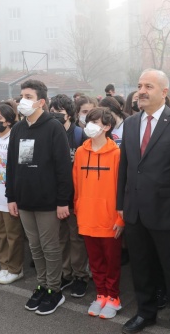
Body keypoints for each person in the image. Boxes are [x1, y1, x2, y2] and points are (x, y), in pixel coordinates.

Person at [117, 69, 170, 334]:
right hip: (135, 212)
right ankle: (145, 313)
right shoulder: (130, 124)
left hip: (168, 213)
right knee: (141, 269)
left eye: (148, 86)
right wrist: (121, 205)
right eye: (140, 85)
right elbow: (126, 169)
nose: (141, 90)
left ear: (164, 92)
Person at [6, 79, 73, 315]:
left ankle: (55, 289)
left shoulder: (53, 127)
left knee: (50, 247)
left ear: (41, 102)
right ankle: (42, 285)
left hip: (48, 201)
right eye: (21, 96)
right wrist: (11, 197)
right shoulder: (18, 128)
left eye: (28, 96)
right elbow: (12, 167)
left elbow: (63, 168)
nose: (22, 100)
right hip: (24, 200)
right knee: (34, 247)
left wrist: (63, 201)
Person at [72, 107, 124, 319]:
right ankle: (101, 294)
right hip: (86, 216)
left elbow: (123, 189)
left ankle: (114, 297)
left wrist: (121, 218)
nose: (90, 125)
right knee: (95, 262)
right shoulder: (81, 152)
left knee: (111, 261)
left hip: (110, 219)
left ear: (107, 126)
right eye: (89, 121)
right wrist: (78, 209)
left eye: (96, 122)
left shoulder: (118, 154)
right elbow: (76, 185)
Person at [50, 94, 90, 297]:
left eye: (60, 112)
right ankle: (65, 273)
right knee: (60, 238)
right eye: (53, 111)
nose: (56, 115)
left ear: (70, 114)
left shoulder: (79, 135)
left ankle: (80, 276)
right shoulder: (49, 133)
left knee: (76, 238)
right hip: (55, 197)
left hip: (76, 197)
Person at [0, 104, 25, 284]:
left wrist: (16, 195)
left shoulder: (16, 138)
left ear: (9, 121)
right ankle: (4, 266)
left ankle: (16, 268)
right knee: (0, 233)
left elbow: (22, 168)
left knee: (13, 235)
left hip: (9, 196)